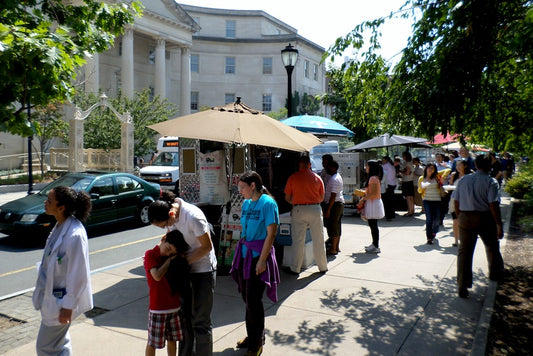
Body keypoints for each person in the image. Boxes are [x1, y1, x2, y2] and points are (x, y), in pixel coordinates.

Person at [148, 191, 217, 356]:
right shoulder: (172, 216)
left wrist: (181, 262)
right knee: (184, 320)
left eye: (164, 224)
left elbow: (206, 247)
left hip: (203, 270)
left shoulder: (193, 217)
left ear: (170, 214)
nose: (166, 228)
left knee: (200, 322)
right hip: (186, 271)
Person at [33, 186, 93, 356]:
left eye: (49, 201)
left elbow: (79, 274)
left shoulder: (74, 234)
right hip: (53, 299)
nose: (45, 203)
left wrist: (68, 306)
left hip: (61, 303)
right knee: (59, 345)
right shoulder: (60, 227)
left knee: (45, 348)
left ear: (61, 207)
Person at [230, 171, 280, 356]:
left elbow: (271, 233)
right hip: (245, 255)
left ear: (253, 186)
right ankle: (254, 335)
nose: (240, 191)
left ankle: (256, 342)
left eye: (242, 187)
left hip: (259, 256)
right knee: (247, 298)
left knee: (253, 300)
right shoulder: (246, 203)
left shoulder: (268, 203)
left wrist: (262, 260)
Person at [453, 154, 504, 298]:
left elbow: (456, 201)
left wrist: (460, 215)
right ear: (490, 166)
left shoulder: (464, 180)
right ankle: (495, 274)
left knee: (464, 253)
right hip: (484, 217)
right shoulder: (491, 181)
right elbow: (493, 204)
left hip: (465, 216)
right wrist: (498, 224)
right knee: (492, 247)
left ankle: (462, 285)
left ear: (475, 165)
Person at [144, 230, 188, 356]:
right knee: (152, 343)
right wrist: (169, 261)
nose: (167, 253)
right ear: (163, 239)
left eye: (171, 252)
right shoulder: (151, 255)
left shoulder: (174, 257)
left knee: (173, 340)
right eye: (168, 248)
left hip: (174, 307)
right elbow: (156, 275)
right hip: (158, 308)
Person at [284, 155, 328, 274]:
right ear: (310, 164)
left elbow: (287, 197)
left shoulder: (293, 178)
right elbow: (322, 197)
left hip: (299, 209)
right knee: (318, 238)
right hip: (315, 208)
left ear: (299, 164)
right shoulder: (318, 178)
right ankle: (323, 266)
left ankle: (295, 268)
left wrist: (296, 201)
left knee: (298, 240)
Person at [418, 163, 451, 244]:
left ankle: (434, 232)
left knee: (436, 220)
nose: (430, 169)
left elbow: (448, 169)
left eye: (432, 168)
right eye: (428, 168)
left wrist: (442, 177)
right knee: (429, 219)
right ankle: (429, 237)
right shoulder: (422, 178)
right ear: (425, 169)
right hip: (427, 200)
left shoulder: (436, 176)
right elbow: (419, 191)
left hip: (437, 200)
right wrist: (422, 188)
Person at [359, 160, 385, 253]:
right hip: (373, 202)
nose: (366, 168)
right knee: (372, 225)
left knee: (373, 225)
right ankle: (374, 244)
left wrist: (363, 199)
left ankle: (376, 245)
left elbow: (373, 194)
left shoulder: (373, 178)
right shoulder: (374, 178)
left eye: (367, 166)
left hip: (373, 202)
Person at [323, 160, 345, 255]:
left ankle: (333, 248)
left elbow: (333, 196)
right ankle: (336, 247)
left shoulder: (334, 179)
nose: (326, 169)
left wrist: (328, 210)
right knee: (337, 226)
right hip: (336, 204)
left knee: (333, 226)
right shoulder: (336, 177)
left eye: (328, 167)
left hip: (335, 204)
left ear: (333, 168)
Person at [448, 160, 471, 247]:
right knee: (455, 221)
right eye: (456, 165)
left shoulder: (469, 176)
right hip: (454, 200)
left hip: (465, 201)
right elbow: (450, 186)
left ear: (465, 165)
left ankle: (464, 239)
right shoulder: (454, 175)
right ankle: (456, 240)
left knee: (464, 222)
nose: (457, 167)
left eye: (459, 165)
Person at [381, 156, 397, 221]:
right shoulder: (392, 166)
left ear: (386, 160)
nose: (382, 161)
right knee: (391, 200)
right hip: (393, 184)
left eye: (383, 160)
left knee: (387, 201)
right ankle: (392, 213)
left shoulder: (385, 166)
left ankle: (388, 214)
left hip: (388, 184)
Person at [400, 151, 415, 216]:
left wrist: (400, 171)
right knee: (411, 197)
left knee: (408, 197)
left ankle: (409, 211)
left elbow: (407, 173)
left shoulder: (407, 164)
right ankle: (412, 210)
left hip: (407, 181)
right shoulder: (410, 163)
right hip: (411, 181)